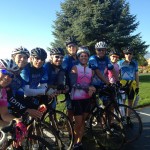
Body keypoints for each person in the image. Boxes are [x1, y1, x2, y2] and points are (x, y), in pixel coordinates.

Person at [70, 46, 96, 149]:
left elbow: (92, 83)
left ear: (88, 57)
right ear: (78, 57)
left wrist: (93, 88)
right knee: (78, 123)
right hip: (77, 99)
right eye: (81, 56)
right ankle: (74, 142)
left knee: (83, 121)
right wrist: (88, 87)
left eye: (85, 56)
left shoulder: (91, 70)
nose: (84, 57)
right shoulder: (75, 68)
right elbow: (73, 84)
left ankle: (79, 141)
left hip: (87, 99)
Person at [7, 46, 43, 119]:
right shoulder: (7, 73)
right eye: (20, 56)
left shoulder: (20, 78)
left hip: (12, 107)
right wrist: (26, 110)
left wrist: (36, 105)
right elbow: (8, 96)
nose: (22, 59)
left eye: (25, 57)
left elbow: (19, 97)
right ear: (13, 58)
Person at [0, 58, 27, 148]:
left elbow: (4, 114)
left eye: (11, 75)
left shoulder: (3, 92)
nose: (7, 77)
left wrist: (16, 120)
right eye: (4, 71)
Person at [20, 47, 54, 112]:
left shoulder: (43, 70)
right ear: (31, 59)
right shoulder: (26, 69)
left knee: (44, 103)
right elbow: (26, 92)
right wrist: (45, 91)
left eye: (42, 59)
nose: (40, 61)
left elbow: (43, 86)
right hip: (22, 95)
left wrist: (47, 92)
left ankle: (38, 119)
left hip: (33, 93)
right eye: (37, 58)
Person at [88, 41, 119, 105]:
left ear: (105, 50)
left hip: (102, 84)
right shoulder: (92, 58)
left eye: (103, 50)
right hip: (92, 84)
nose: (101, 51)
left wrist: (118, 81)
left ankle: (105, 114)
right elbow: (97, 73)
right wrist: (108, 83)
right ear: (96, 50)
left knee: (108, 103)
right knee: (93, 106)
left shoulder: (106, 58)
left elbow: (112, 69)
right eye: (99, 50)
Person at [61, 37, 79, 123]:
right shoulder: (66, 59)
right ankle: (70, 130)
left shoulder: (78, 58)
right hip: (70, 88)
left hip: (79, 86)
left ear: (76, 47)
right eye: (69, 46)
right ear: (67, 48)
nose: (72, 48)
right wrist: (64, 85)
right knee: (71, 111)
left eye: (73, 46)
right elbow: (62, 73)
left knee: (78, 109)